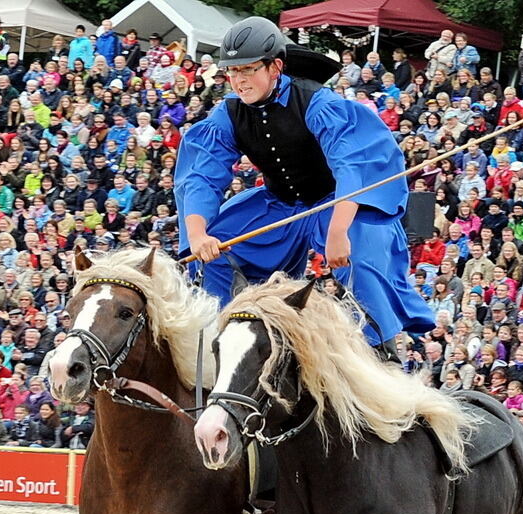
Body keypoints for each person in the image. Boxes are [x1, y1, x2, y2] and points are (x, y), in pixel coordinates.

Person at [175, 16, 434, 354]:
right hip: (279, 203)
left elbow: (351, 167)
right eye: (232, 72)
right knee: (217, 248)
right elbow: (201, 175)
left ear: (275, 67)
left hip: (335, 201)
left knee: (361, 254)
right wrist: (197, 234)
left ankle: (380, 352)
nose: (239, 81)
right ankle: (225, 343)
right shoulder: (229, 112)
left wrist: (339, 232)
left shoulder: (317, 103)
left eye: (249, 69)